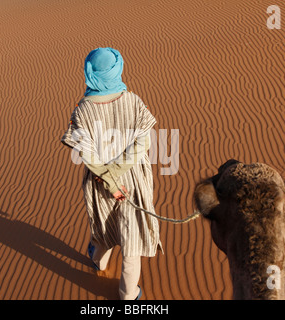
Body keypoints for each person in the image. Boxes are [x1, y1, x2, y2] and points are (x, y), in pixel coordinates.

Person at [61, 47, 162, 300]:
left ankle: (99, 262)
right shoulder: (134, 101)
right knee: (132, 236)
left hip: (99, 181)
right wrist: (118, 175)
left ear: (90, 72)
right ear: (118, 69)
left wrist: (110, 178)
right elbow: (143, 143)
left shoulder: (82, 109)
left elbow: (86, 153)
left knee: (104, 226)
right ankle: (128, 294)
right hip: (134, 180)